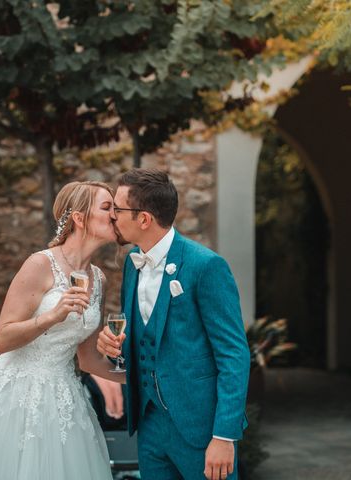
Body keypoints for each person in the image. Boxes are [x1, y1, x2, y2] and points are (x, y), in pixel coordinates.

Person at [0, 181, 124, 480]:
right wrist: (52, 316)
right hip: (18, 395)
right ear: (80, 219)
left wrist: (139, 378)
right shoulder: (40, 264)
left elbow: (88, 361)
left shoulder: (98, 279)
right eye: (107, 207)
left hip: (64, 397)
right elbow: (1, 339)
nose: (115, 215)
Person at [97, 169, 250, 480]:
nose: (112, 215)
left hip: (201, 430)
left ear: (144, 219)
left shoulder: (205, 266)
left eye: (118, 208)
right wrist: (112, 347)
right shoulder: (132, 264)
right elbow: (140, 341)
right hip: (149, 426)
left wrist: (224, 436)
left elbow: (234, 355)